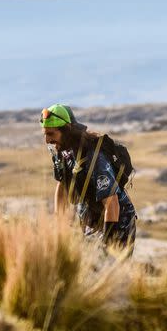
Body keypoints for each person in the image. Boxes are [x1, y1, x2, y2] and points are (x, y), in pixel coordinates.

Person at [40, 104, 137, 252]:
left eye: (51, 134)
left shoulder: (94, 157)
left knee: (112, 267)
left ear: (67, 131)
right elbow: (62, 186)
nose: (47, 140)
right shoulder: (63, 152)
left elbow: (112, 203)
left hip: (117, 219)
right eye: (45, 134)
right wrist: (59, 226)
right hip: (89, 215)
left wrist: (108, 245)